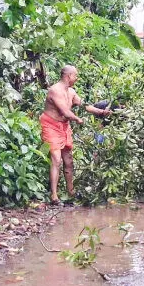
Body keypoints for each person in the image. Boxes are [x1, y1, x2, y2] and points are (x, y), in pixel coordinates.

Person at [40, 65, 110, 204]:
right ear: (68, 76)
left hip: (64, 127)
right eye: (75, 76)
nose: (76, 78)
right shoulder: (55, 90)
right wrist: (77, 119)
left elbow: (85, 105)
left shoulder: (71, 91)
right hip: (50, 125)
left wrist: (101, 112)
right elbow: (65, 112)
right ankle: (54, 195)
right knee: (56, 159)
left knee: (68, 160)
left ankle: (70, 191)